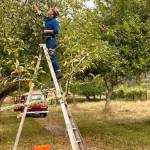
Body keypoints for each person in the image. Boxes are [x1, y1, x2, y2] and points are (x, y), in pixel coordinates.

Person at [33, 3, 63, 80]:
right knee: (50, 56)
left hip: (51, 40)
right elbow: (40, 14)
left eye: (50, 10)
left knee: (52, 55)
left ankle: (58, 72)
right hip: (47, 40)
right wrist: (35, 6)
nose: (48, 10)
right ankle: (55, 73)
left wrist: (47, 30)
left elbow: (56, 31)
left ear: (52, 14)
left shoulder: (55, 21)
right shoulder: (47, 19)